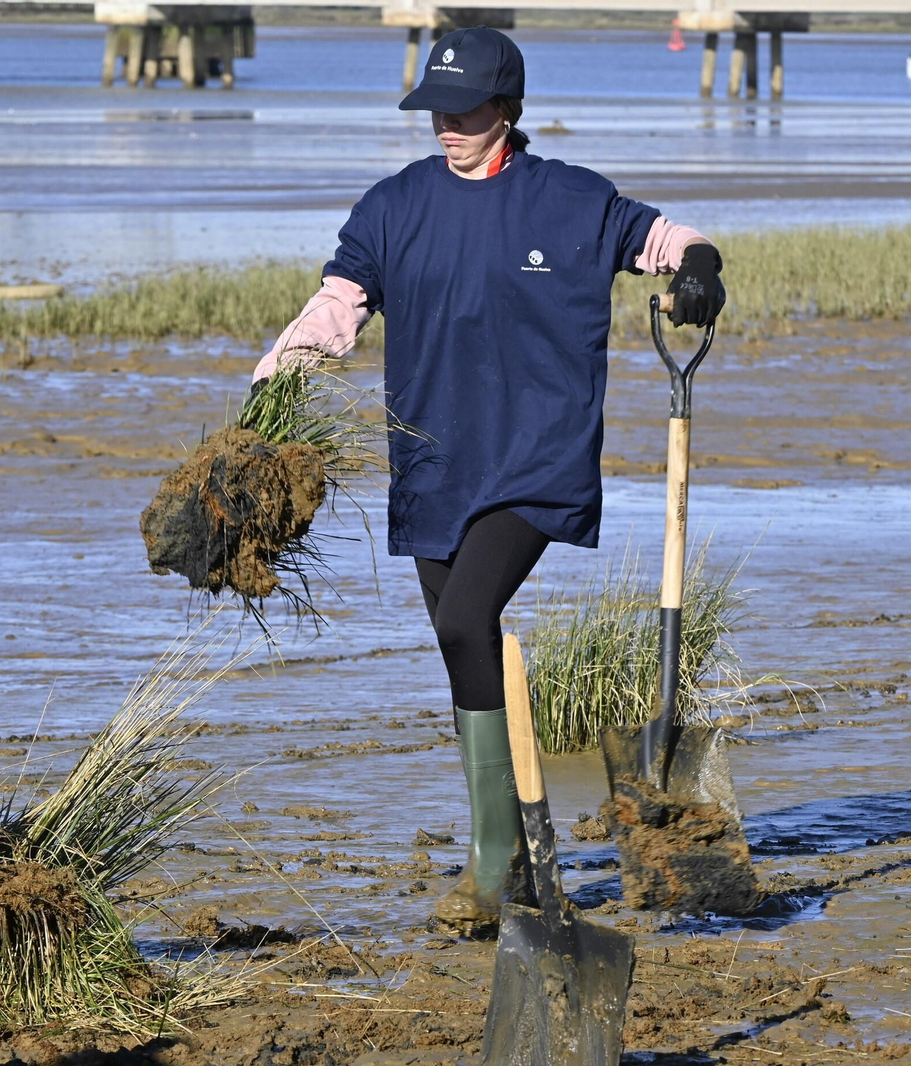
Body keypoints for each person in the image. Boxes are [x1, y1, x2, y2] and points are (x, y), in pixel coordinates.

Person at [252, 26, 725, 927]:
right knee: (459, 639)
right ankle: (510, 853)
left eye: (464, 108)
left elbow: (670, 238)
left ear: (506, 108)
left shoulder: (571, 201)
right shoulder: (393, 206)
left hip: (534, 460)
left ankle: (492, 863)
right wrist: (272, 387)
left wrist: (699, 270)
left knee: (468, 618)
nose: (446, 124)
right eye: (434, 107)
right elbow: (337, 303)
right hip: (434, 465)